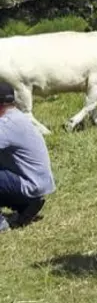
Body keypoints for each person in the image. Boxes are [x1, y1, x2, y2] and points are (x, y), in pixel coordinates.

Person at [0, 82, 55, 232]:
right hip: (35, 182)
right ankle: (26, 205)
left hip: (31, 184)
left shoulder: (6, 124)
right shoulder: (17, 117)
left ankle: (2, 224)